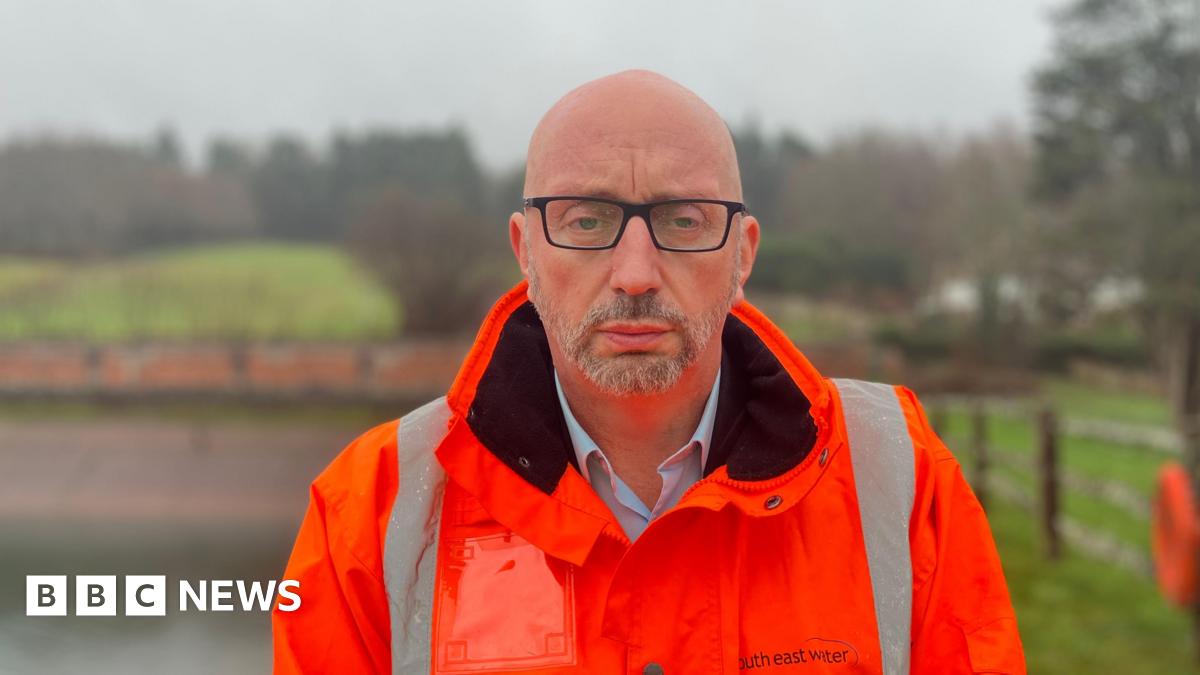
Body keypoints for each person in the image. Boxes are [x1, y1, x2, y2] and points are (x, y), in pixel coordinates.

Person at [272, 70, 1025, 675]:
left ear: (744, 255)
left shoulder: (903, 485)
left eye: (684, 220)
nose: (635, 272)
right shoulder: (371, 512)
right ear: (525, 251)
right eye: (587, 220)